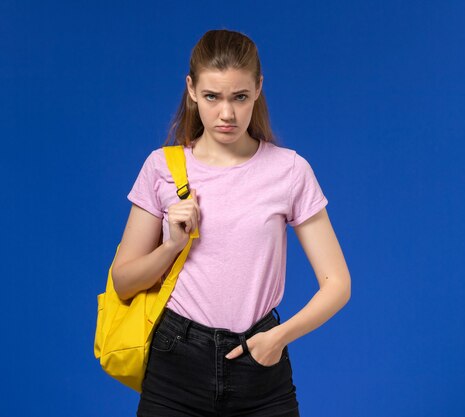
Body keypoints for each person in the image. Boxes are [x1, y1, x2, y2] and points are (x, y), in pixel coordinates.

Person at [111, 29, 351, 417]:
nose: (227, 113)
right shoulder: (161, 168)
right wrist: (171, 246)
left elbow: (338, 284)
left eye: (239, 97)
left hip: (260, 365)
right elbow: (123, 282)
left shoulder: (289, 171)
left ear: (258, 89)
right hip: (176, 361)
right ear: (191, 90)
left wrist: (276, 339)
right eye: (212, 96)